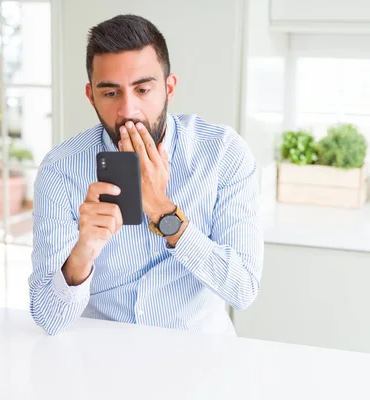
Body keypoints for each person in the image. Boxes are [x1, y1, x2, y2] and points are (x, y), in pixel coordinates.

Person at [29, 14, 263, 336]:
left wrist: (163, 211)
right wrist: (83, 252)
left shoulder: (223, 153)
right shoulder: (61, 170)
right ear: (90, 96)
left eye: (142, 89)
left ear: (169, 88)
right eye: (111, 93)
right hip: (105, 357)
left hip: (200, 355)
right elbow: (47, 318)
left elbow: (243, 289)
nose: (128, 111)